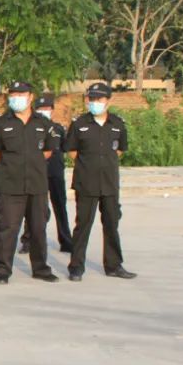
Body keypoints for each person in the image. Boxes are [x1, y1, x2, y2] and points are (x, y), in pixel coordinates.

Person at [0, 80, 61, 284]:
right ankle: (2, 270)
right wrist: (12, 165)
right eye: (13, 95)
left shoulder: (43, 123)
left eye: (20, 95)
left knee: (38, 229)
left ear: (30, 97)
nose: (16, 98)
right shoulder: (1, 124)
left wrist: (30, 162)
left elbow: (48, 151)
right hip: (10, 186)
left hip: (37, 185)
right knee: (7, 229)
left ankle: (41, 268)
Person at [65, 83, 136, 281]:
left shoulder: (117, 124)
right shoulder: (79, 123)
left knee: (111, 224)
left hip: (109, 183)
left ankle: (113, 265)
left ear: (108, 101)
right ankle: (76, 267)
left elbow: (119, 150)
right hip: (86, 182)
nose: (95, 102)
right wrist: (90, 165)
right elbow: (72, 151)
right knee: (83, 225)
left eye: (99, 99)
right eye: (92, 99)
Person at [19, 94, 74, 254]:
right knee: (33, 208)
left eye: (47, 108)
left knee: (60, 206)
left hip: (55, 172)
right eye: (41, 108)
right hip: (37, 172)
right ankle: (28, 241)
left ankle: (66, 240)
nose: (44, 111)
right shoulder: (31, 128)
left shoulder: (58, 129)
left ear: (52, 110)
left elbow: (65, 148)